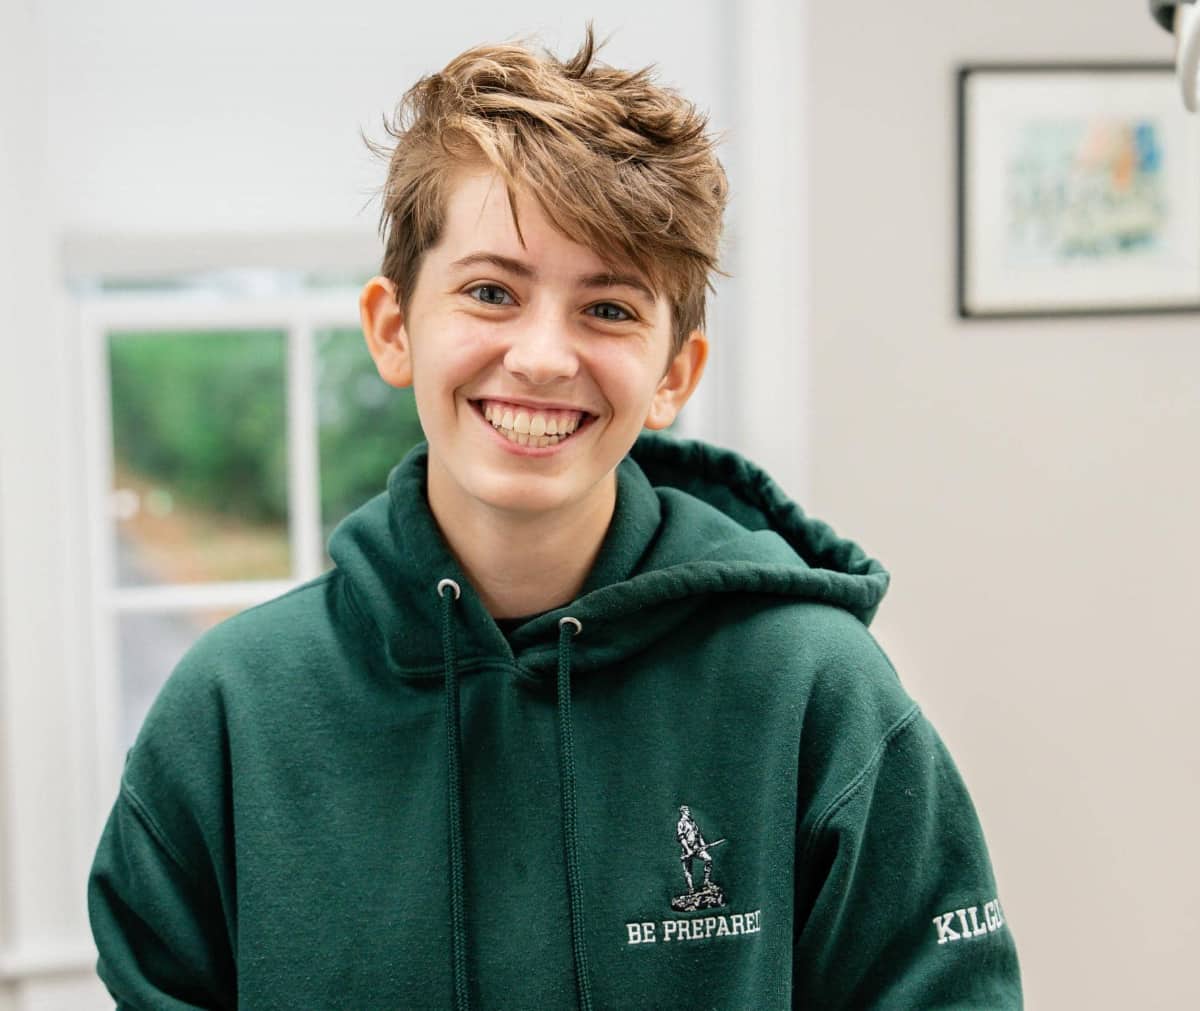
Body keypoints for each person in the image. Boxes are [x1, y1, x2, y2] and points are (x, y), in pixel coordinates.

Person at [88, 27, 1022, 1009]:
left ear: (674, 374)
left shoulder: (813, 691)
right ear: (395, 328)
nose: (542, 356)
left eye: (608, 310)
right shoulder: (231, 712)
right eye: (491, 291)